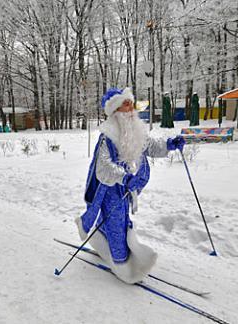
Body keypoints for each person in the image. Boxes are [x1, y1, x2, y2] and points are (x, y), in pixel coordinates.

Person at [76, 87, 185, 284]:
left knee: (119, 219)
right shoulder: (107, 135)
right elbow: (104, 167)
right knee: (117, 221)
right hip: (110, 187)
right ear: (116, 109)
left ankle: (101, 240)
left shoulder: (133, 128)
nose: (131, 108)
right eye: (126, 104)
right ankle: (122, 266)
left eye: (131, 103)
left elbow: (148, 145)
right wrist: (124, 178)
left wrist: (169, 144)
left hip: (125, 186)